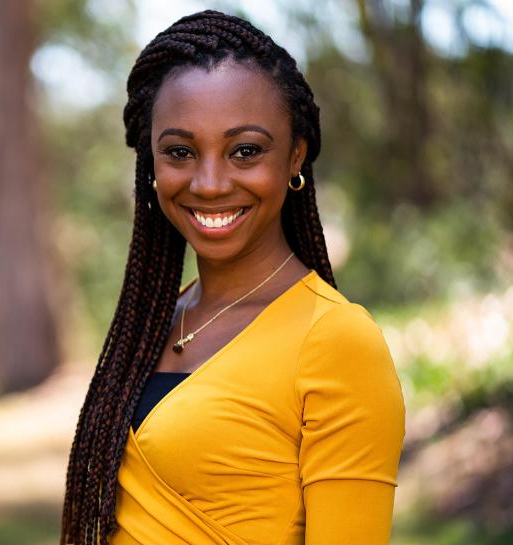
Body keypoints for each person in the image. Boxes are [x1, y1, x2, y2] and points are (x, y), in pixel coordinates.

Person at [60, 9, 406, 545]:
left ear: (295, 154)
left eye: (245, 150)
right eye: (180, 152)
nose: (211, 182)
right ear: (151, 164)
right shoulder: (156, 320)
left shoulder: (335, 340)